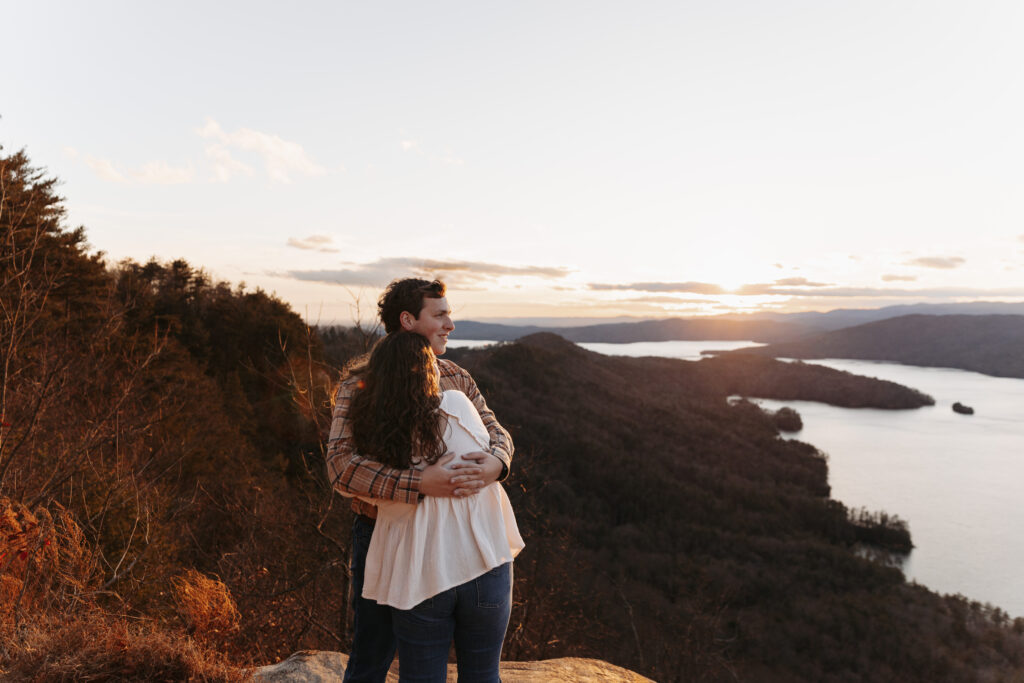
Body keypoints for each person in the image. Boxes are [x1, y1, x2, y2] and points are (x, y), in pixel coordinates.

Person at [325, 278, 514, 683]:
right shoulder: (358, 385)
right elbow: (340, 465)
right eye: (440, 314)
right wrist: (418, 483)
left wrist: (496, 464)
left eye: (450, 313)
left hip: (459, 537)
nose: (450, 324)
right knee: (373, 654)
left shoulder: (455, 377)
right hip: (383, 533)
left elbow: (497, 431)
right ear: (408, 320)